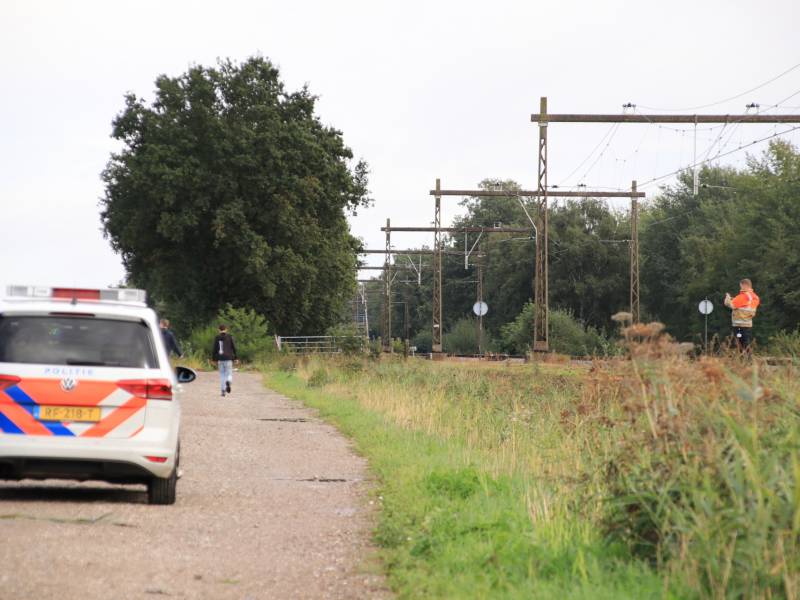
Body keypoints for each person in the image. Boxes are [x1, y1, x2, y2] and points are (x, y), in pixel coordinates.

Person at [724, 278, 760, 353]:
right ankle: (746, 359)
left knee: (740, 343)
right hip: (747, 324)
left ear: (744, 285)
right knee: (745, 342)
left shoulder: (743, 296)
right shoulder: (755, 297)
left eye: (740, 286)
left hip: (739, 325)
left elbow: (730, 304)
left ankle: (746, 360)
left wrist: (727, 298)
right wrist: (734, 298)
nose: (740, 288)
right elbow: (744, 305)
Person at [211, 324, 238, 397]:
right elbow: (234, 348)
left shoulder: (217, 338)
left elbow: (214, 349)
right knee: (229, 373)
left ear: (219, 330)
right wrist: (236, 358)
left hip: (220, 359)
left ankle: (223, 391)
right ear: (226, 329)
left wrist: (213, 359)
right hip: (229, 358)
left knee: (222, 375)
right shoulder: (230, 337)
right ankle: (228, 381)